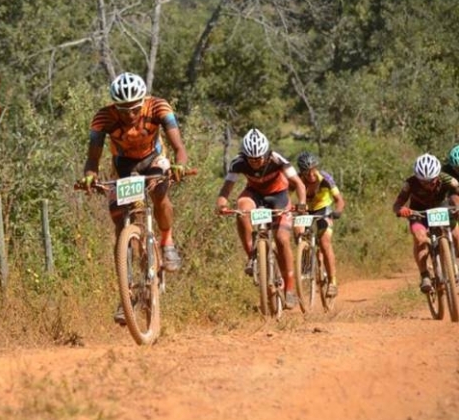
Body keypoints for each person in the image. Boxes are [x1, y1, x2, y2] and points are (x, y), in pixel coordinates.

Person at [80, 72, 189, 324]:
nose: (129, 115)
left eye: (134, 109)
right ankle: (127, 294)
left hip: (154, 160)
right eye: (123, 109)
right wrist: (89, 175)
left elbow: (179, 147)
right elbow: (93, 157)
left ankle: (167, 241)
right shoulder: (103, 118)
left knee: (160, 191)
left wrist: (180, 166)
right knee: (121, 226)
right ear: (114, 105)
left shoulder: (159, 107)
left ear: (143, 101)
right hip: (123, 166)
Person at [215, 129, 307, 309]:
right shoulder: (238, 162)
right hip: (255, 194)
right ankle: (252, 255)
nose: (255, 163)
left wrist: (302, 203)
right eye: (251, 159)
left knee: (281, 239)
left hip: (279, 196)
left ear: (266, 153)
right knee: (242, 208)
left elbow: (299, 184)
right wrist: (221, 203)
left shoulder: (277, 159)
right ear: (245, 155)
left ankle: (289, 288)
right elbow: (226, 188)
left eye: (259, 158)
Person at [393, 153, 459, 294]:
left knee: (457, 235)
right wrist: (402, 210)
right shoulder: (409, 184)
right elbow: (397, 205)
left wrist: (457, 205)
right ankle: (425, 275)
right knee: (420, 238)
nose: (428, 185)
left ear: (437, 176)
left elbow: (455, 193)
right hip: (418, 213)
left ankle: (452, 261)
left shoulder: (448, 180)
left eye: (432, 181)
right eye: (423, 182)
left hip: (442, 208)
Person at [294, 151, 346, 298]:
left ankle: (332, 282)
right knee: (298, 230)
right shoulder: (297, 179)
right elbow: (286, 196)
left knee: (324, 243)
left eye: (312, 171)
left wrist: (338, 211)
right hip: (306, 210)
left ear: (316, 168)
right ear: (301, 172)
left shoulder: (325, 178)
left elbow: (339, 199)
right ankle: (304, 260)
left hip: (324, 210)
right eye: (306, 172)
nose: (310, 175)